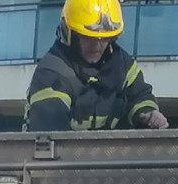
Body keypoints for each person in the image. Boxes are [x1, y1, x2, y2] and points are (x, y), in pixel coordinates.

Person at [24, 0, 169, 132]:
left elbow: (139, 94)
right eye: (87, 37)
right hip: (54, 158)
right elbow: (53, 136)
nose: (97, 46)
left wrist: (149, 114)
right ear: (69, 35)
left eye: (104, 39)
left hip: (100, 157)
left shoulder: (122, 64)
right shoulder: (52, 73)